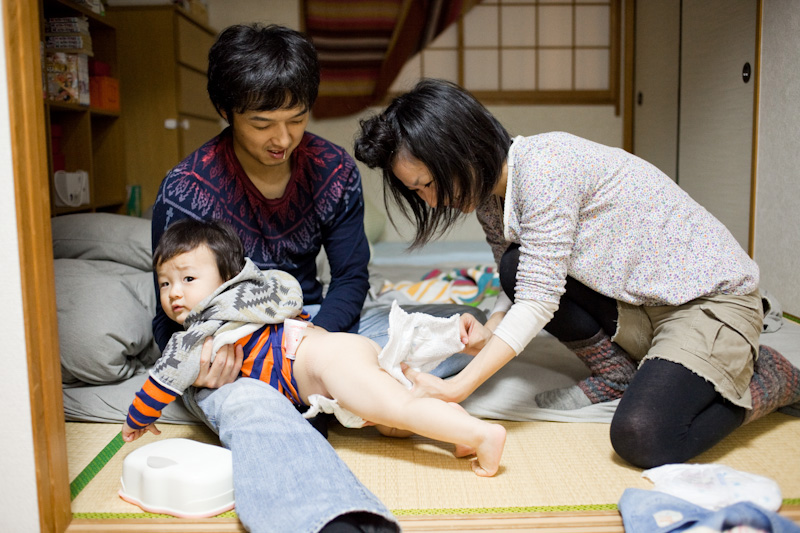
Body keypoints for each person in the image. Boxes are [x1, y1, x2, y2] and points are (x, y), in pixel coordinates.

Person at [353, 78, 800, 470]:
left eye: (428, 184)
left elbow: (538, 300)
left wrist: (456, 387)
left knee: (643, 435)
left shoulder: (547, 167)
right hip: (640, 304)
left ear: (461, 148)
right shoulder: (490, 197)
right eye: (418, 192)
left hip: (707, 303)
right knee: (513, 267)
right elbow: (524, 279)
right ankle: (617, 374)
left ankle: (771, 378)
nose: (431, 201)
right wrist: (491, 328)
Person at [148, 26, 483, 531]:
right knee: (250, 405)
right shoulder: (187, 189)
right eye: (262, 123)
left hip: (315, 326)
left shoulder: (332, 169)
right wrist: (200, 364)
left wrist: (317, 344)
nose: (282, 139)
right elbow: (166, 312)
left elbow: (350, 276)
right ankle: (329, 515)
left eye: (297, 119)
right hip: (237, 351)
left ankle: (330, 391)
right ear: (226, 111)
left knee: (453, 327)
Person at [124, 218, 506, 477]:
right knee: (393, 425)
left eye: (188, 278)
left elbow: (166, 375)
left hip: (327, 363)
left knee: (399, 408)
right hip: (334, 365)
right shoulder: (257, 295)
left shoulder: (203, 329)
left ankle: (481, 434)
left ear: (227, 278)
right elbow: (288, 293)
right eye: (164, 283)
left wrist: (138, 417)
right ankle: (455, 427)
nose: (174, 293)